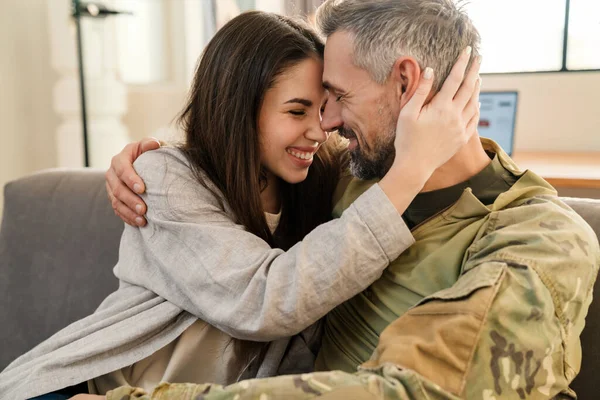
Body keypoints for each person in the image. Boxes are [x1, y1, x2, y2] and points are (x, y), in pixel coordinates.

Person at [105, 0, 600, 399]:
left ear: (405, 83)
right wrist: (152, 162)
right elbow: (239, 173)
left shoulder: (541, 237)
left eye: (338, 97)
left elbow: (418, 390)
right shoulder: (350, 178)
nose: (328, 124)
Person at [0, 10, 480, 400]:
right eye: (297, 111)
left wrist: (435, 121)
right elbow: (267, 299)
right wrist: (411, 168)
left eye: (324, 104)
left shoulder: (322, 179)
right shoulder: (165, 179)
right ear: (237, 108)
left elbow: (405, 159)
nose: (320, 128)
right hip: (95, 391)